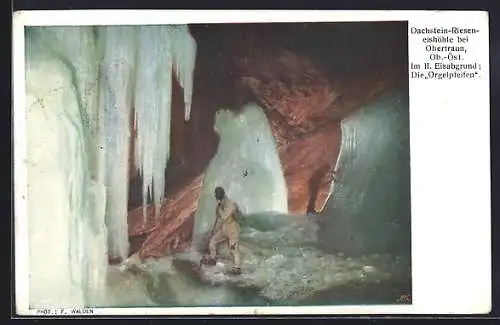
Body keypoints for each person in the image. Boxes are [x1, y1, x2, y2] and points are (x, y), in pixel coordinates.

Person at [200, 186, 242, 275]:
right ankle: (213, 258)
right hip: (224, 229)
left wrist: (219, 209)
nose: (218, 199)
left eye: (219, 197)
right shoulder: (220, 205)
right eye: (217, 197)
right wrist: (214, 230)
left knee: (233, 249)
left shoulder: (229, 204)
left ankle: (237, 268)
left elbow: (224, 217)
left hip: (232, 230)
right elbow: (218, 220)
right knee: (212, 241)